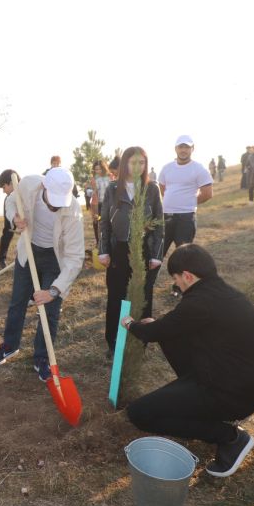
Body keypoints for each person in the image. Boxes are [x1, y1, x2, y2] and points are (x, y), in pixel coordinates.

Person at [120, 244, 254, 478]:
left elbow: (153, 332)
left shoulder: (199, 302)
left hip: (231, 393)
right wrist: (158, 328)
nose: (176, 285)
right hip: (240, 382)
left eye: (176, 279)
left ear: (188, 276)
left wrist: (131, 324)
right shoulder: (220, 293)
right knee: (171, 336)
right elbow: (171, 327)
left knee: (140, 413)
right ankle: (203, 403)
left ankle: (229, 437)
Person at [0, 168, 85, 381]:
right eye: (53, 200)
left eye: (61, 201)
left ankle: (42, 357)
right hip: (29, 250)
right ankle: (10, 345)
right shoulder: (29, 184)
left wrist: (54, 290)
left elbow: (75, 257)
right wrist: (14, 218)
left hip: (54, 258)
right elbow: (11, 201)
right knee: (17, 302)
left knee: (49, 309)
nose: (56, 205)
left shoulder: (73, 212)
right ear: (44, 187)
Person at [98, 147, 164, 356]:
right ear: (125, 163)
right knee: (116, 295)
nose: (137, 167)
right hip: (119, 248)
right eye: (133, 162)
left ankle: (140, 342)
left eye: (141, 163)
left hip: (143, 249)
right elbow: (104, 224)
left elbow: (159, 224)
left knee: (143, 296)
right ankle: (114, 342)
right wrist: (103, 251)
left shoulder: (152, 189)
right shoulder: (112, 188)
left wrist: (156, 254)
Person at [156, 135, 213, 296]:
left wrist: (188, 203)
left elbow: (207, 193)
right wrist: (171, 201)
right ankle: (149, 281)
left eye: (187, 147)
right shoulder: (167, 168)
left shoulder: (199, 169)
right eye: (180, 147)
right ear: (176, 149)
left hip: (186, 218)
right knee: (158, 250)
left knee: (183, 256)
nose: (183, 150)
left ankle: (179, 287)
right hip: (166, 216)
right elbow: (162, 187)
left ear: (192, 149)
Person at [0, 170, 17, 269]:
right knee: (8, 231)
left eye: (4, 187)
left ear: (12, 183)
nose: (3, 191)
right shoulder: (8, 200)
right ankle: (2, 260)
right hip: (15, 223)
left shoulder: (28, 192)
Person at [89, 159, 111, 248]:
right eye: (96, 169)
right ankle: (98, 242)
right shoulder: (94, 179)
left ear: (103, 168)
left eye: (99, 169)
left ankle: (108, 241)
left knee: (107, 223)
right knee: (97, 221)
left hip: (108, 204)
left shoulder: (109, 177)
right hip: (98, 204)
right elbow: (93, 192)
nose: (98, 171)